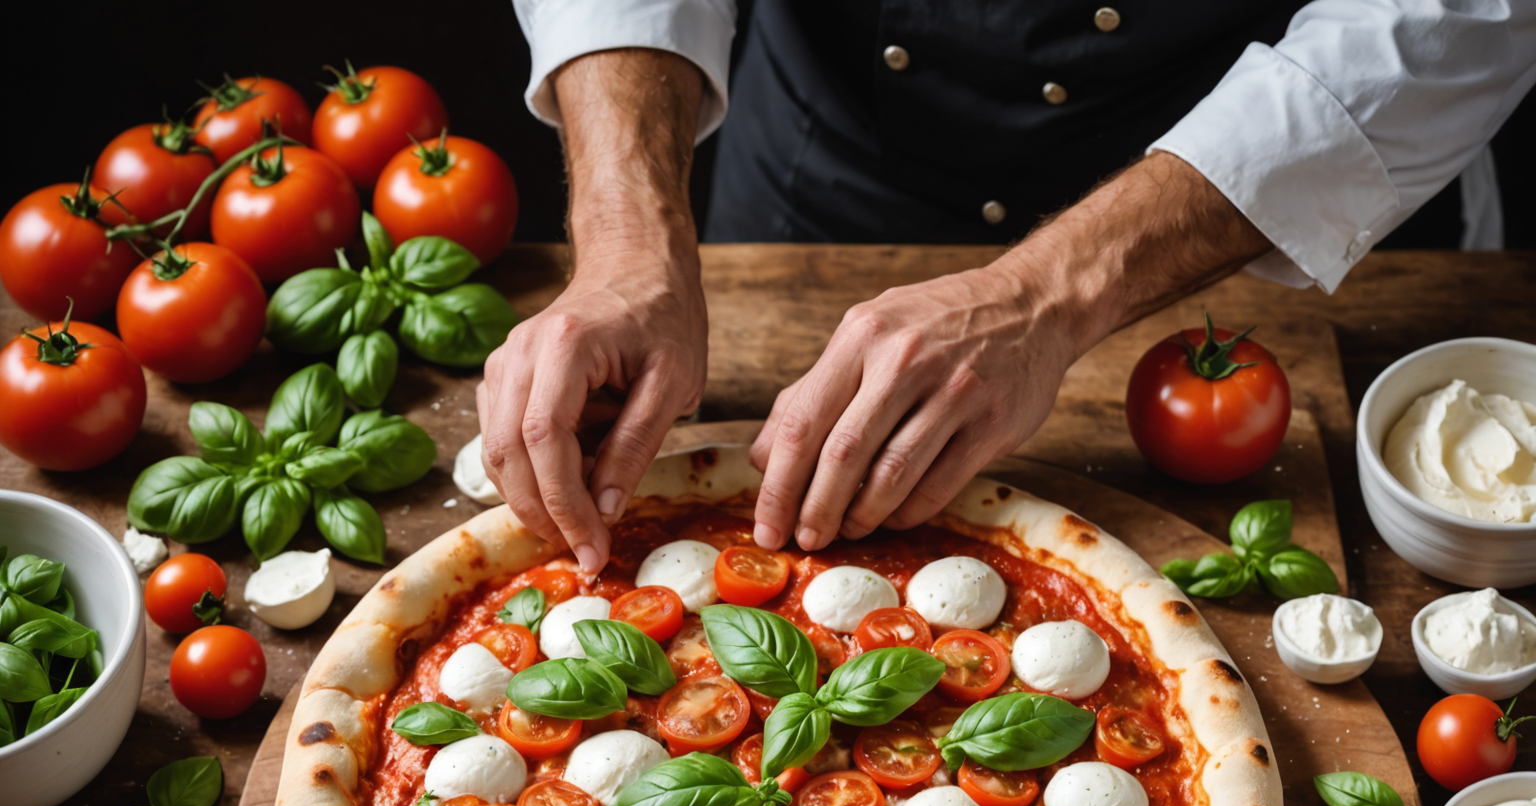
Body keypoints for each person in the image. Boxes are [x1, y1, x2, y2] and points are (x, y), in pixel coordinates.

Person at [481, 0, 1536, 573]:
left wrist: (1048, 295)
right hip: (830, 162)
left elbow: (1457, 13)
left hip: (1251, 203)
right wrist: (627, 238)